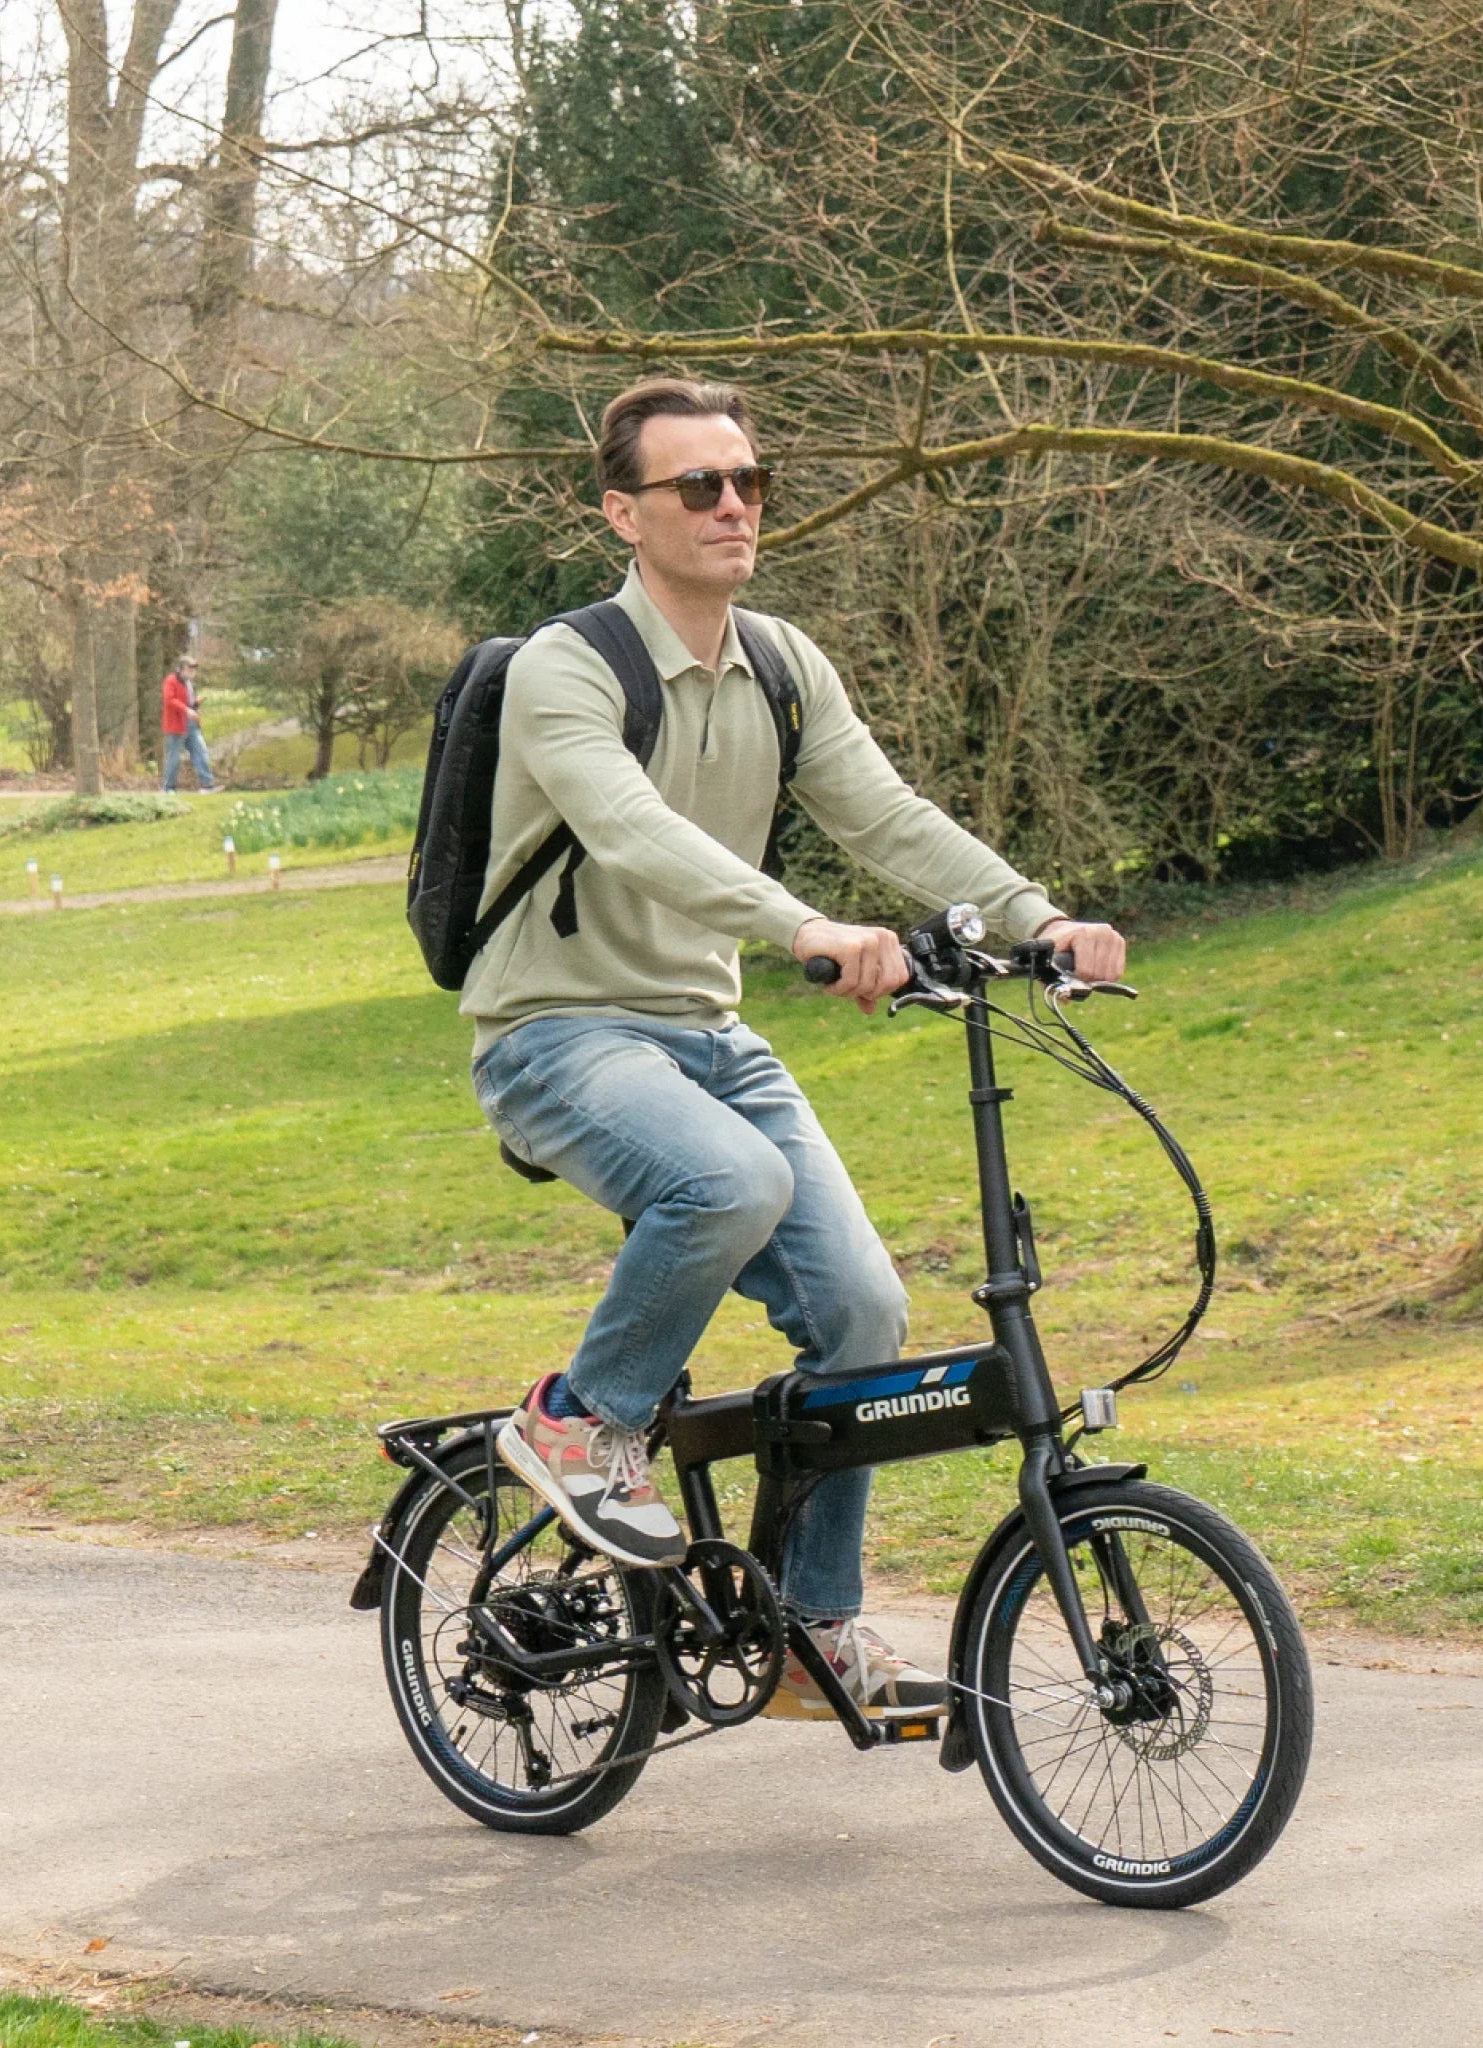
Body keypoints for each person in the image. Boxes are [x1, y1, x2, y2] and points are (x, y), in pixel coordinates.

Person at [469, 378, 1126, 1721]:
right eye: (696, 487)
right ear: (623, 512)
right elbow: (633, 831)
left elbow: (884, 811)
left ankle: (811, 1628)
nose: (731, 506)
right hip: (557, 1033)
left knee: (864, 1316)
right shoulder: (568, 666)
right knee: (729, 1183)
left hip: (704, 1036)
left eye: (748, 483)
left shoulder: (780, 664)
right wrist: (805, 928)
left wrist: (1035, 916)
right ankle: (578, 1424)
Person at [160, 655, 218, 792]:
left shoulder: (190, 684)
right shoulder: (171, 681)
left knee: (201, 751)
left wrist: (195, 704)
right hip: (176, 725)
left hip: (191, 724)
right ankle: (169, 788)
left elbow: (189, 703)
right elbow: (170, 700)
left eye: (193, 669)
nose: (192, 672)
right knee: (174, 757)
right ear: (180, 669)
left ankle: (207, 785)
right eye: (189, 668)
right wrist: (186, 710)